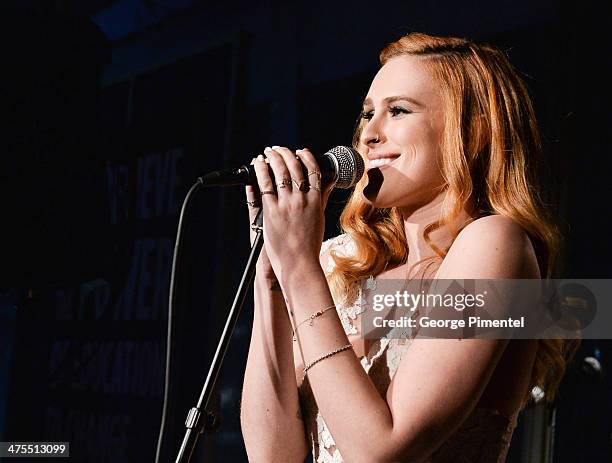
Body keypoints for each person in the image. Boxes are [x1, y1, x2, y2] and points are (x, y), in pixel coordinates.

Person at [239, 32, 578, 462]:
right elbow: (271, 455)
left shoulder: (496, 243)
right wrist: (272, 273)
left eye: (397, 110)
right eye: (366, 115)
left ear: (470, 131)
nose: (368, 135)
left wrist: (300, 270)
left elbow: (382, 451)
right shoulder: (338, 263)